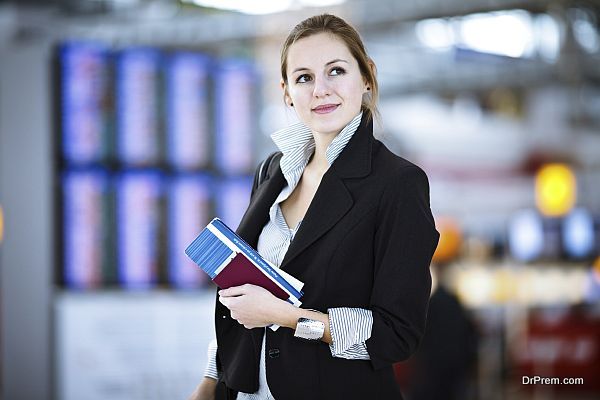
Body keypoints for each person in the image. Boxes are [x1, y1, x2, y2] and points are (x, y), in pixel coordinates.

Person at [189, 13, 439, 400]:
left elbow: (396, 334)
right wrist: (209, 383)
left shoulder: (397, 184)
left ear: (367, 77)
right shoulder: (274, 171)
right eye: (304, 77)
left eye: (336, 71)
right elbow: (246, 296)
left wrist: (285, 317)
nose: (320, 89)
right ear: (287, 91)